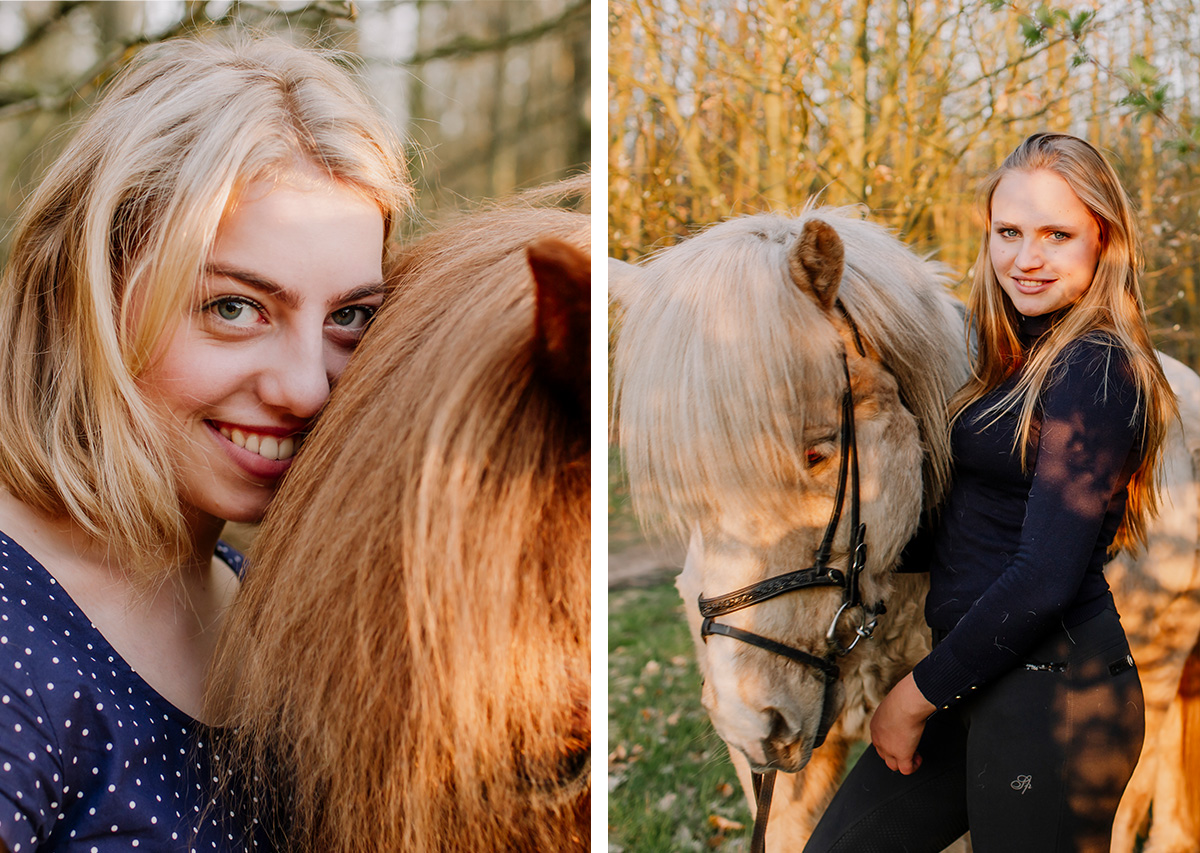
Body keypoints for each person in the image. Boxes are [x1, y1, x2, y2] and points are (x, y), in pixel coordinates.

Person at [0, 34, 410, 852]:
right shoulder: (16, 644)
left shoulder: (272, 605)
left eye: (349, 318)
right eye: (234, 307)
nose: (306, 387)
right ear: (88, 288)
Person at [803, 132, 1176, 852]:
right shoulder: (1013, 354)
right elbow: (971, 523)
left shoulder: (1095, 367)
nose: (1025, 258)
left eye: (1056, 235)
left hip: (1057, 698)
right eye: (1008, 232)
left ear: (1105, 242)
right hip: (973, 668)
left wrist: (910, 698)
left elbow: (1043, 575)